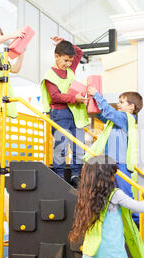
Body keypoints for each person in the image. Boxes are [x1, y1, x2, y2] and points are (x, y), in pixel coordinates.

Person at [61, 155, 144, 258]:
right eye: (113, 173)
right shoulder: (115, 194)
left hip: (93, 247)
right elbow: (140, 207)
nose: (114, 176)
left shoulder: (86, 193)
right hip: (110, 249)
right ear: (107, 176)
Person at [84, 88, 142, 224]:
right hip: (110, 163)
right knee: (111, 193)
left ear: (131, 107)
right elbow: (103, 115)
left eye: (122, 102)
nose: (118, 105)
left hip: (120, 164)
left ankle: (135, 223)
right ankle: (123, 221)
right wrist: (90, 103)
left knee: (125, 193)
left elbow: (109, 112)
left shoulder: (126, 118)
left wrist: (97, 95)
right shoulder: (117, 120)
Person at [40, 37, 89, 187]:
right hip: (60, 114)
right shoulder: (50, 76)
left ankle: (75, 174)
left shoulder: (69, 69)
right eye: (65, 60)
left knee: (78, 146)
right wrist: (75, 98)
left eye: (70, 61)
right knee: (61, 146)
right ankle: (60, 176)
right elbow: (55, 97)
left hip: (76, 114)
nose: (68, 64)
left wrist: (64, 41)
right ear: (56, 56)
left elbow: (79, 52)